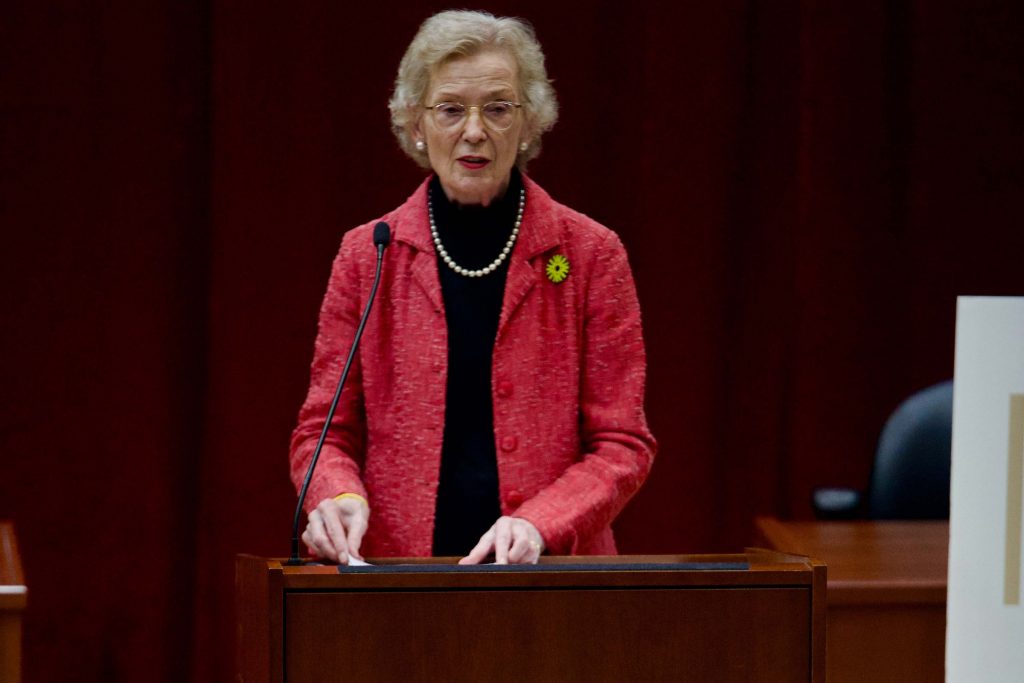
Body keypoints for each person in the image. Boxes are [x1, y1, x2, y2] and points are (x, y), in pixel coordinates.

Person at [289, 9, 655, 565]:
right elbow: (323, 432)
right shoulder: (369, 253)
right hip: (396, 582)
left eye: (498, 108)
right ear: (416, 123)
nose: (475, 130)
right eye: (451, 109)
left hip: (551, 581)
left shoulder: (589, 254)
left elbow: (623, 445)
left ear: (530, 122)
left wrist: (541, 522)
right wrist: (335, 495)